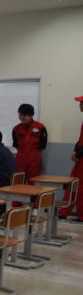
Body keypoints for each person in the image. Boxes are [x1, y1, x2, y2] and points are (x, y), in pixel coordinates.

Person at [59, 95, 83, 223]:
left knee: (80, 187)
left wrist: (78, 155)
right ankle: (64, 212)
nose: (80, 106)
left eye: (81, 103)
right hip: (80, 159)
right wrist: (75, 151)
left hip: (82, 159)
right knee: (72, 184)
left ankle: (81, 216)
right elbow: (80, 140)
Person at [12, 103, 47, 183]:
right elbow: (15, 144)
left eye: (24, 115)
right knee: (18, 181)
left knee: (33, 181)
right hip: (20, 157)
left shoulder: (40, 127)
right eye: (20, 115)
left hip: (34, 157)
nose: (22, 117)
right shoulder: (16, 129)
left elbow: (43, 145)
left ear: (31, 115)